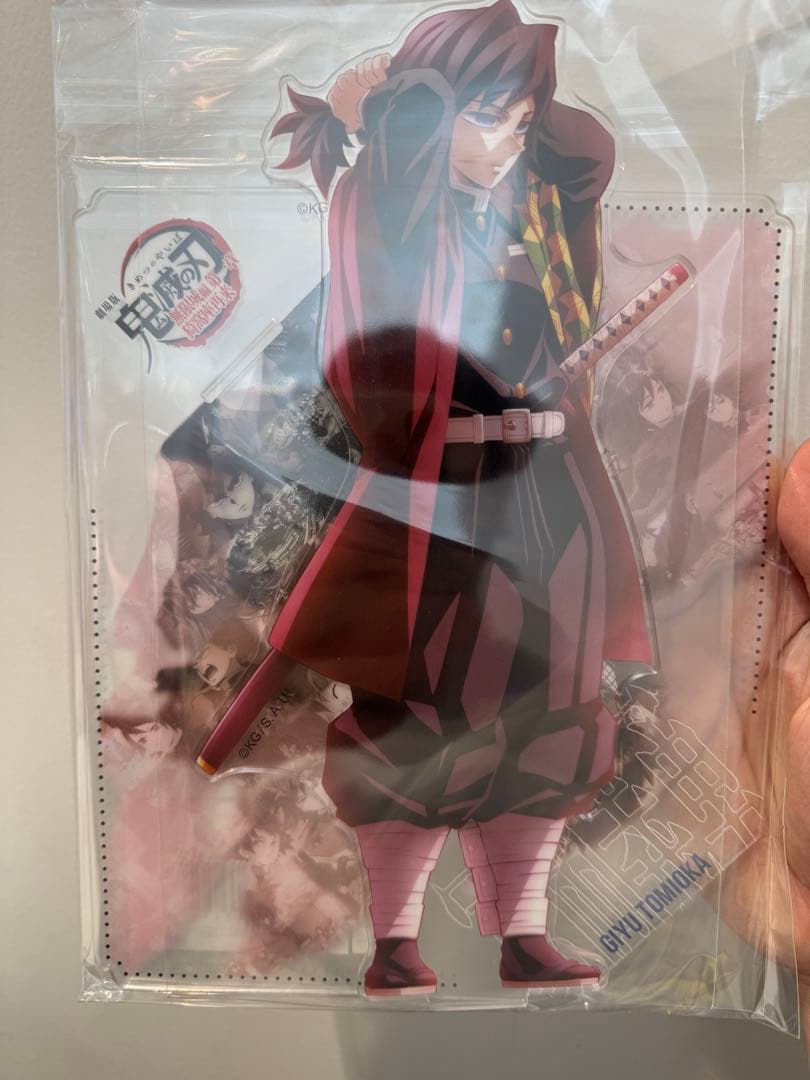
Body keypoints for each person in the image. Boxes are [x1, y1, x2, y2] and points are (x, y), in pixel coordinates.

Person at [198, 0, 655, 995]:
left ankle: (524, 936)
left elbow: (587, 151)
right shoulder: (384, 211)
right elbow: (392, 211)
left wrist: (515, 105)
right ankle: (395, 943)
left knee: (552, 710)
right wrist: (398, 107)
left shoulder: (537, 212)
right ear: (423, 118)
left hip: (548, 496)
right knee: (423, 714)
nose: (511, 143)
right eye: (489, 116)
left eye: (520, 121)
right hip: (434, 506)